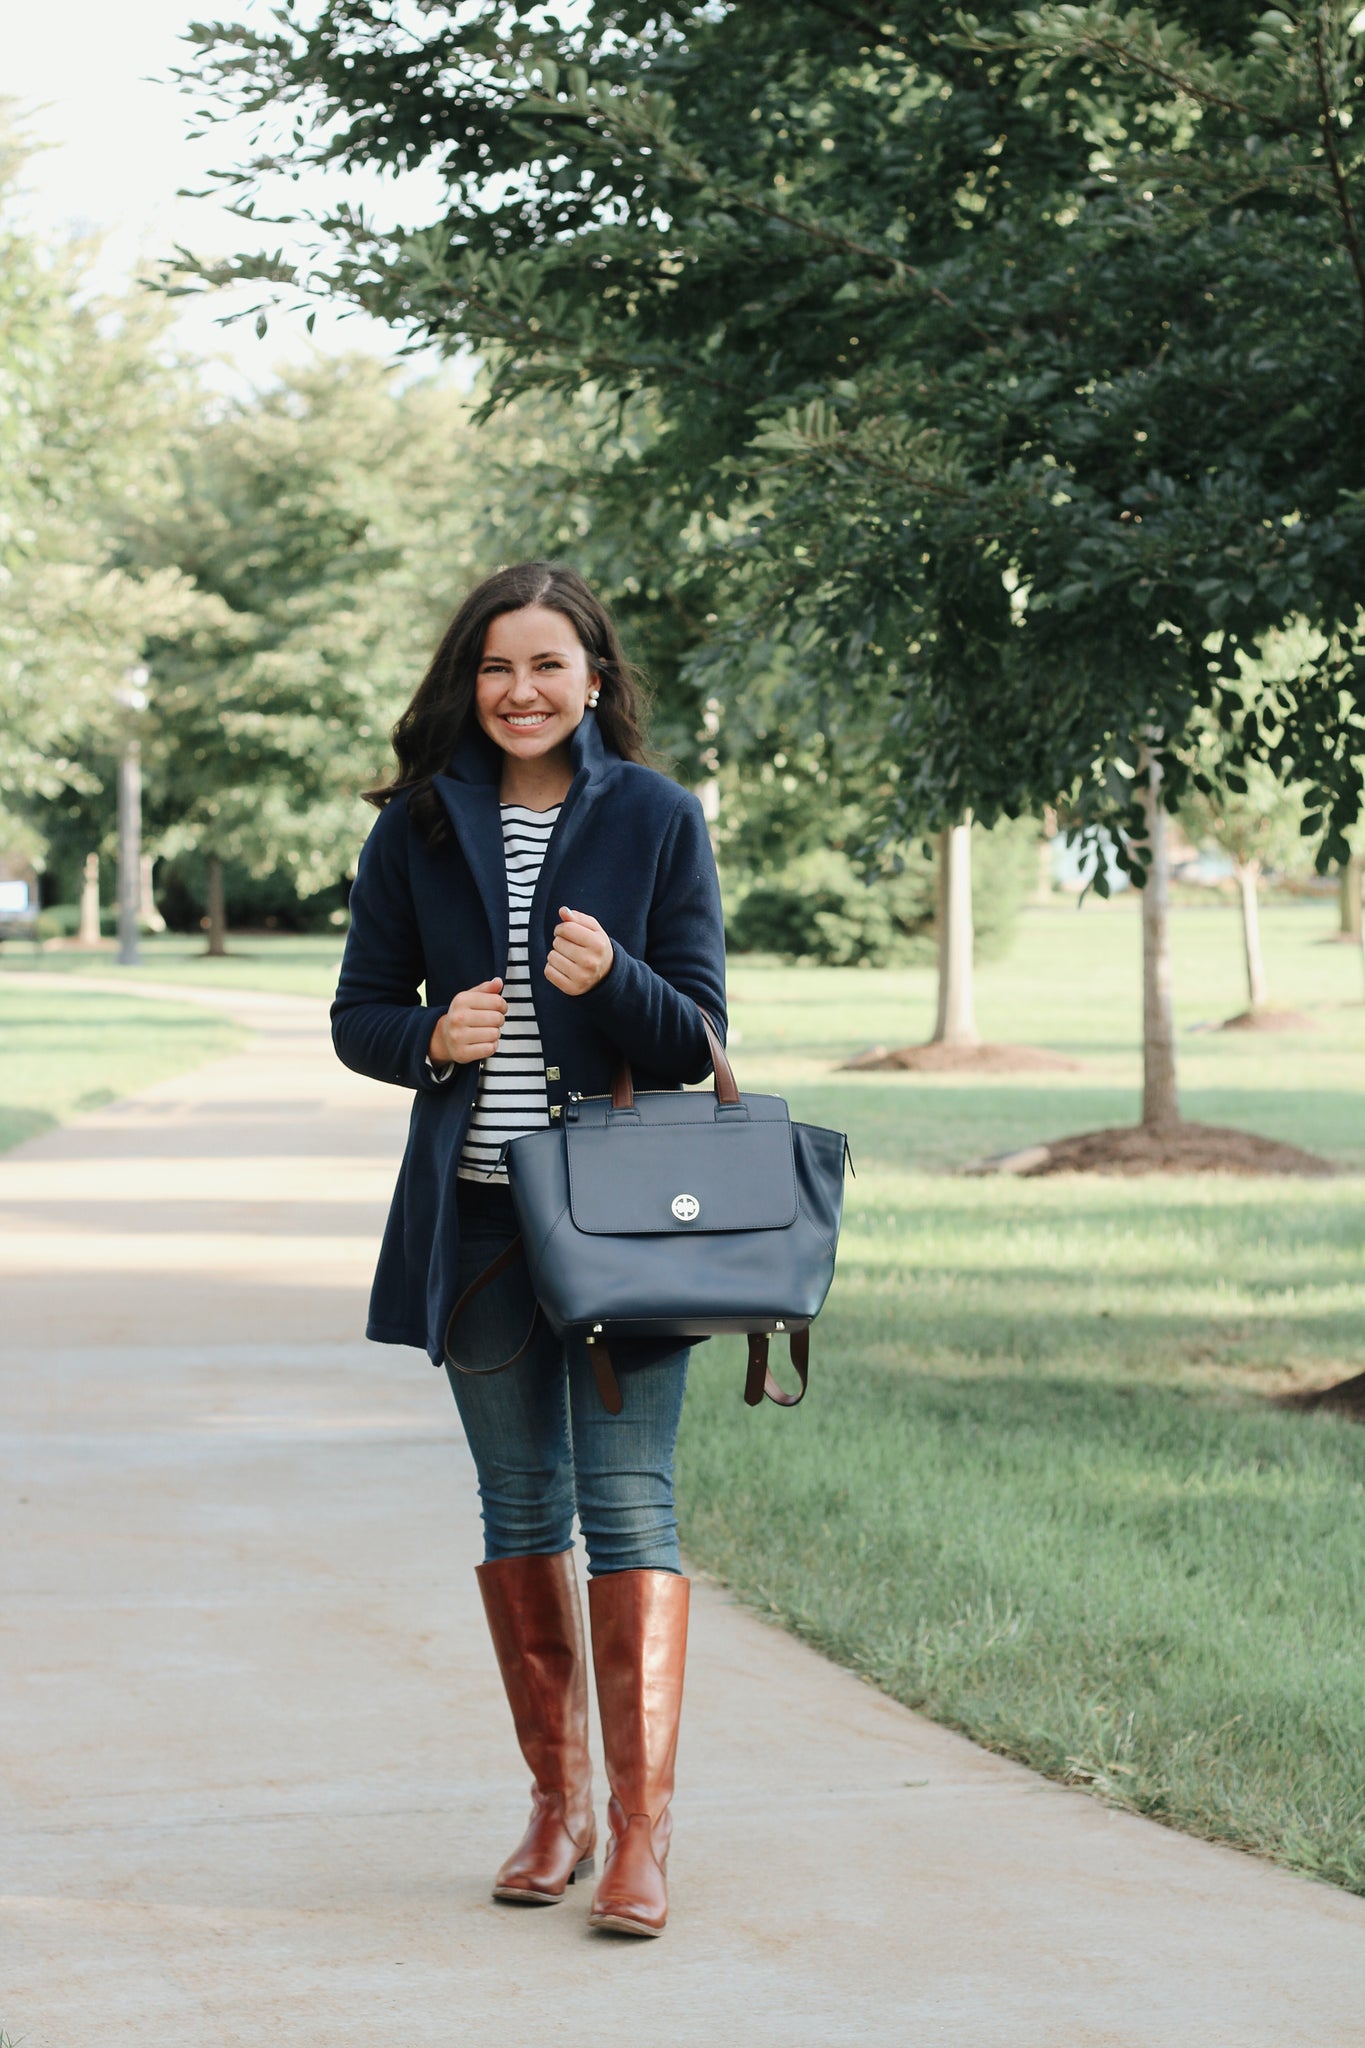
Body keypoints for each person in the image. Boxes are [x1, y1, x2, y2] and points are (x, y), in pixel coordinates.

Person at [331, 561, 727, 1938]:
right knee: (517, 1513)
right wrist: (427, 1036)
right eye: (497, 668)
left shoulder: (662, 818)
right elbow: (359, 1015)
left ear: (595, 680)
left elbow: (695, 1037)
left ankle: (639, 1839)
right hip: (481, 1222)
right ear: (469, 681)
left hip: (621, 1232)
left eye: (548, 666)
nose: (521, 691)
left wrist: (608, 978)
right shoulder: (417, 832)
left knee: (626, 1510)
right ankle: (553, 1810)